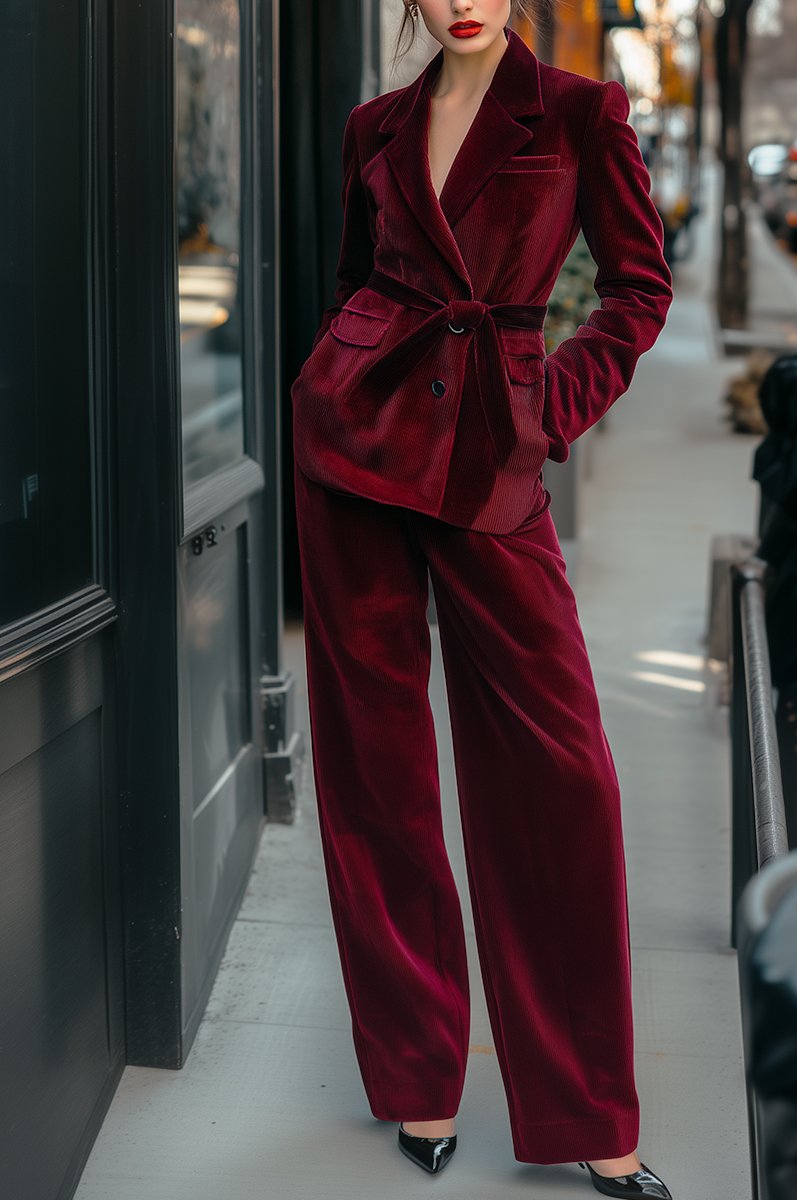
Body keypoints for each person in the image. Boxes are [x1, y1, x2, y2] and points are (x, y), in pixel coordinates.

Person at [290, 3, 674, 1196]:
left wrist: (544, 412)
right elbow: (361, 281)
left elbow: (637, 290)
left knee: (563, 779)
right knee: (379, 776)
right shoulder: (372, 127)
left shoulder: (576, 111)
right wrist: (336, 378)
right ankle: (418, 1076)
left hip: (490, 466)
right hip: (352, 458)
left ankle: (589, 1112)